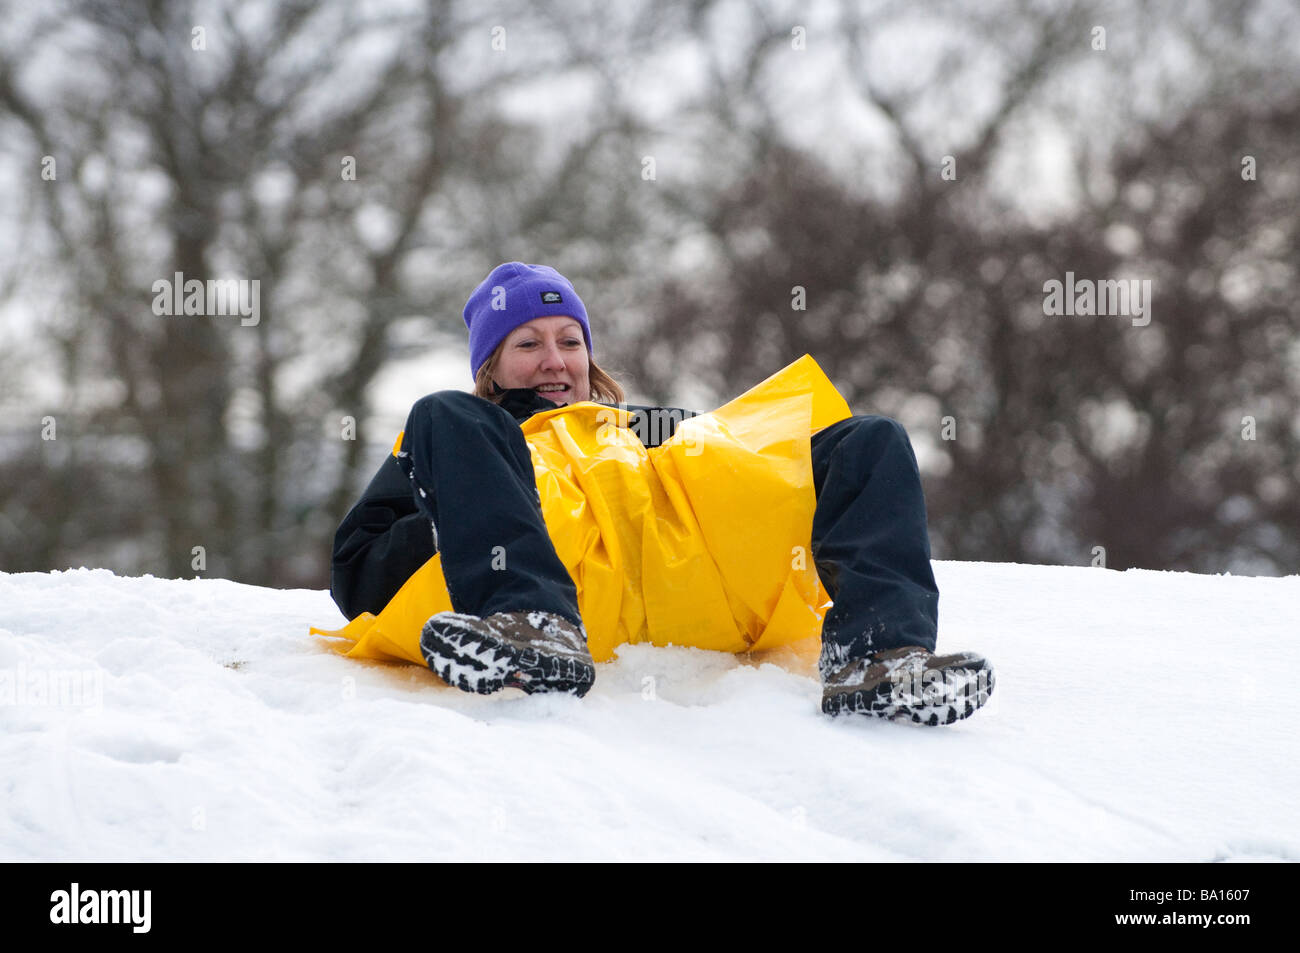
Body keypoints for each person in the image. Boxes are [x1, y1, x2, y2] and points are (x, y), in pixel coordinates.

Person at [330, 262, 994, 725]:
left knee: (868, 439)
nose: (555, 359)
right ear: (490, 367)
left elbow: (736, 476)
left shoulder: (643, 432)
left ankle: (878, 657)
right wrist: (461, 518)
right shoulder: (467, 436)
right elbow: (360, 566)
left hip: (693, 581)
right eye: (527, 343)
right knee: (441, 413)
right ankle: (531, 624)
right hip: (566, 590)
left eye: (570, 342)